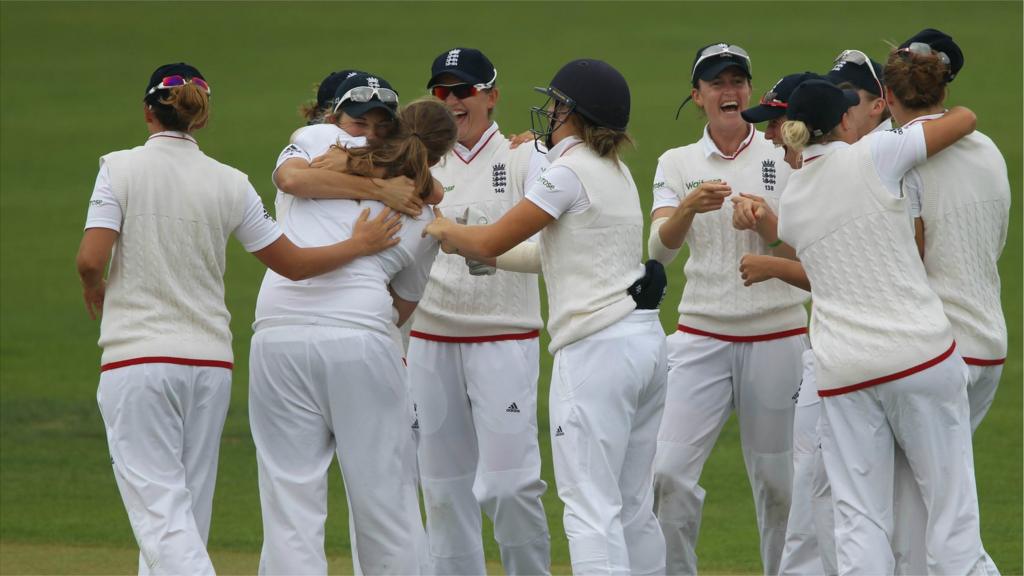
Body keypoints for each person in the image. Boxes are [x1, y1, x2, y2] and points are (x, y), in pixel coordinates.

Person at [75, 62, 403, 575]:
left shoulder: (117, 166)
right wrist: (357, 244)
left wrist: (93, 286)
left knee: (160, 512)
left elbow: (91, 258)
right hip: (210, 365)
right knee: (185, 513)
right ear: (201, 118)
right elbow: (292, 264)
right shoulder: (231, 182)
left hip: (136, 357)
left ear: (147, 112)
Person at [424, 58, 669, 576]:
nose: (550, 113)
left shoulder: (566, 172)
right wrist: (479, 252)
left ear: (578, 115)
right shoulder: (615, 172)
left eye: (558, 105)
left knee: (589, 509)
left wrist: (442, 230)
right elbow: (545, 253)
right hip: (643, 343)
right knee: (631, 506)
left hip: (595, 349)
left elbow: (491, 236)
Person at [776, 76, 988, 575]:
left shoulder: (790, 207)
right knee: (950, 509)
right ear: (845, 121)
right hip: (919, 356)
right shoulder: (875, 153)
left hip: (844, 373)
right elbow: (963, 121)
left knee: (858, 519)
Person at [248, 97, 458, 575]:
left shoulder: (323, 140)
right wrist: (383, 191)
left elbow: (291, 178)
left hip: (277, 331)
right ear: (442, 154)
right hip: (361, 336)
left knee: (289, 499)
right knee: (386, 500)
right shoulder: (425, 212)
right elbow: (403, 306)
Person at [648, 42, 807, 576]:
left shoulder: (784, 154)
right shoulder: (677, 162)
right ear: (697, 96)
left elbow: (808, 250)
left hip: (778, 333)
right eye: (716, 83)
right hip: (700, 335)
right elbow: (661, 251)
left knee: (780, 484)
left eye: (738, 81)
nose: (729, 91)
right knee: (666, 474)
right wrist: (687, 209)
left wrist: (764, 220)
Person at [406, 47, 551, 576]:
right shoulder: (417, 163)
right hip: (430, 342)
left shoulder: (526, 157)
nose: (451, 101)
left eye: (463, 90)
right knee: (443, 496)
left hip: (504, 340)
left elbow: (551, 249)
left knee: (510, 487)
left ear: (492, 96)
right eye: (441, 91)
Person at [884, 29, 1008, 576]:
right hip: (987, 346)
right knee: (917, 505)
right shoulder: (989, 150)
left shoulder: (903, 160)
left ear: (889, 93)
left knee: (947, 520)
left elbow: (908, 258)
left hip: (938, 354)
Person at [737, 70, 838, 576]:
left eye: (776, 125)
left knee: (820, 498)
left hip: (846, 361)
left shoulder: (822, 180)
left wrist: (771, 263)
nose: (770, 138)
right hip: (840, 353)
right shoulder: (827, 173)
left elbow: (837, 277)